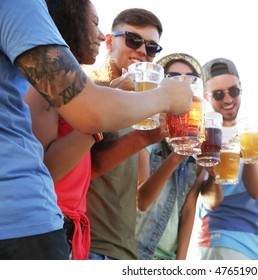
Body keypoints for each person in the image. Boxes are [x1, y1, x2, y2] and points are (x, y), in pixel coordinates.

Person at [0, 0, 192, 260]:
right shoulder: (65, 88)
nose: (100, 35)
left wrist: (149, 135)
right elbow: (51, 165)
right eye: (94, 23)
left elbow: (126, 188)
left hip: (87, 239)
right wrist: (166, 96)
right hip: (38, 226)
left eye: (153, 47)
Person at [23, 0, 106, 260]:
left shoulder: (77, 85)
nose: (102, 36)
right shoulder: (43, 81)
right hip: (49, 225)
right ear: (69, 21)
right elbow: (46, 170)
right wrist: (98, 119)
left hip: (71, 232)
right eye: (94, 23)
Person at [86, 8, 169, 260]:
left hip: (125, 251)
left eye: (152, 48)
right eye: (133, 40)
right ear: (109, 42)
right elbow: (82, 169)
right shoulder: (86, 91)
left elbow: (138, 198)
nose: (143, 51)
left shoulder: (142, 110)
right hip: (90, 247)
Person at [197, 58, 258, 260]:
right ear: (206, 97)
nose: (227, 99)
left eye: (233, 91)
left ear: (241, 89)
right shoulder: (204, 135)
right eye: (218, 94)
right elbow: (207, 200)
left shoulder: (253, 132)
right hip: (222, 236)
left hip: (257, 240)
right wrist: (214, 174)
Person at [136, 53, 205, 260]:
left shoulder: (196, 155)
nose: (183, 83)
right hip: (136, 255)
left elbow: (189, 212)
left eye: (191, 78)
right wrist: (176, 156)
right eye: (174, 77)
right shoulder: (144, 138)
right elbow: (142, 201)